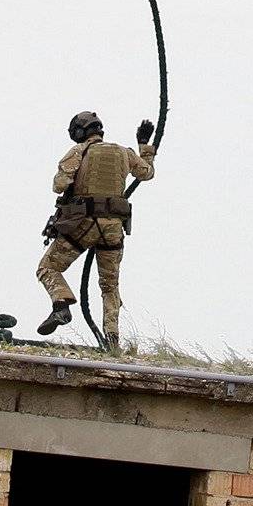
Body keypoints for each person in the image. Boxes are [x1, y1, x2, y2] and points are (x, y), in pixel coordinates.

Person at [34, 110, 157, 344]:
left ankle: (61, 304)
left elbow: (59, 185)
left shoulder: (79, 151)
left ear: (79, 132)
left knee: (47, 268)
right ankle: (112, 339)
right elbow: (147, 173)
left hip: (83, 226)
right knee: (110, 286)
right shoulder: (125, 152)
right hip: (113, 229)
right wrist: (144, 146)